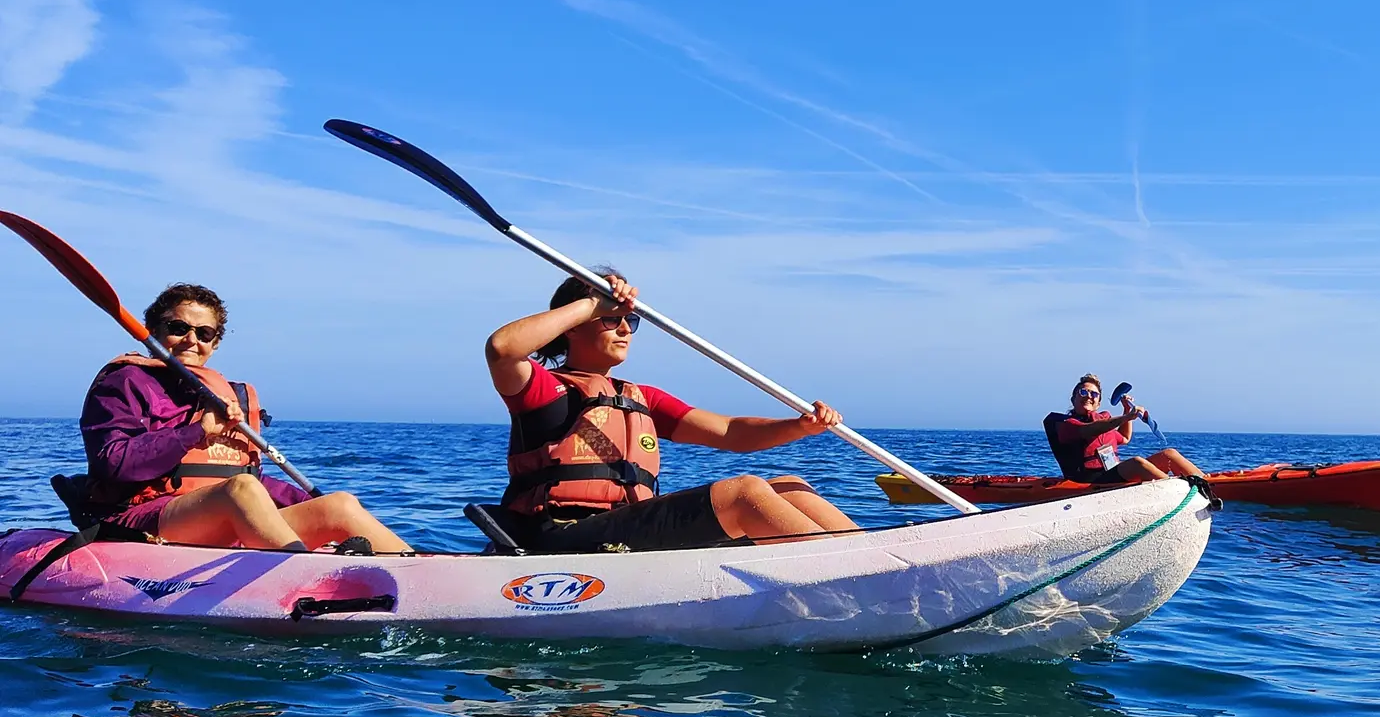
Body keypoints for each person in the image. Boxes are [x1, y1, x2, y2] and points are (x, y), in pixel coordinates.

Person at [483, 269, 860, 552]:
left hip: (626, 532)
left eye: (629, 320)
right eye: (611, 319)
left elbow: (731, 432)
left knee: (792, 490)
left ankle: (883, 567)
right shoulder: (543, 389)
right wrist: (591, 303)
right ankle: (854, 581)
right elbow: (502, 348)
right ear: (574, 326)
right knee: (743, 493)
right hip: (564, 537)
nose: (625, 330)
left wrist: (800, 426)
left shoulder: (641, 397)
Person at [79, 284, 412, 553]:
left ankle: (417, 571)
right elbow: (114, 463)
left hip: (225, 516)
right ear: (152, 331)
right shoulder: (124, 382)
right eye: (178, 328)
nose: (192, 339)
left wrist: (314, 504)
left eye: (204, 333)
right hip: (144, 517)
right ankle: (299, 572)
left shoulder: (229, 394)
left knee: (338, 504)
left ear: (216, 342)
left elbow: (247, 476)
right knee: (241, 489)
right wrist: (198, 430)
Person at [1042, 373, 1204, 484]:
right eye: (1083, 392)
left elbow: (1124, 438)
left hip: (1112, 473)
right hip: (1088, 480)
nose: (1088, 396)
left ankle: (1207, 484)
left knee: (1169, 454)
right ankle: (1180, 492)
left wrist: (1126, 410)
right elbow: (1088, 430)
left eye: (1094, 394)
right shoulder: (1064, 424)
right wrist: (1127, 417)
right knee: (1136, 463)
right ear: (1074, 397)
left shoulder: (1102, 419)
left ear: (1098, 403)